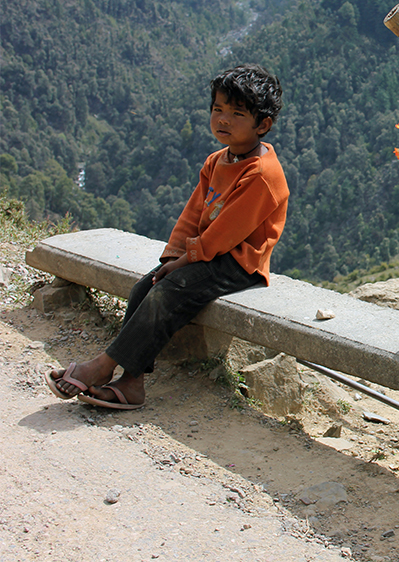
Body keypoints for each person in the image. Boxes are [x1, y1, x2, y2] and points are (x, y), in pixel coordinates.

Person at [45, 64, 289, 411]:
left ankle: (102, 366)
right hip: (203, 255)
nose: (223, 119)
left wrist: (184, 261)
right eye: (218, 109)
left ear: (262, 125)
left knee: (166, 294)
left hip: (239, 263)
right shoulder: (217, 161)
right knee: (145, 287)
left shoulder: (262, 176)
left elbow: (223, 235)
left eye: (237, 113)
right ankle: (132, 383)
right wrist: (169, 257)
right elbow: (192, 216)